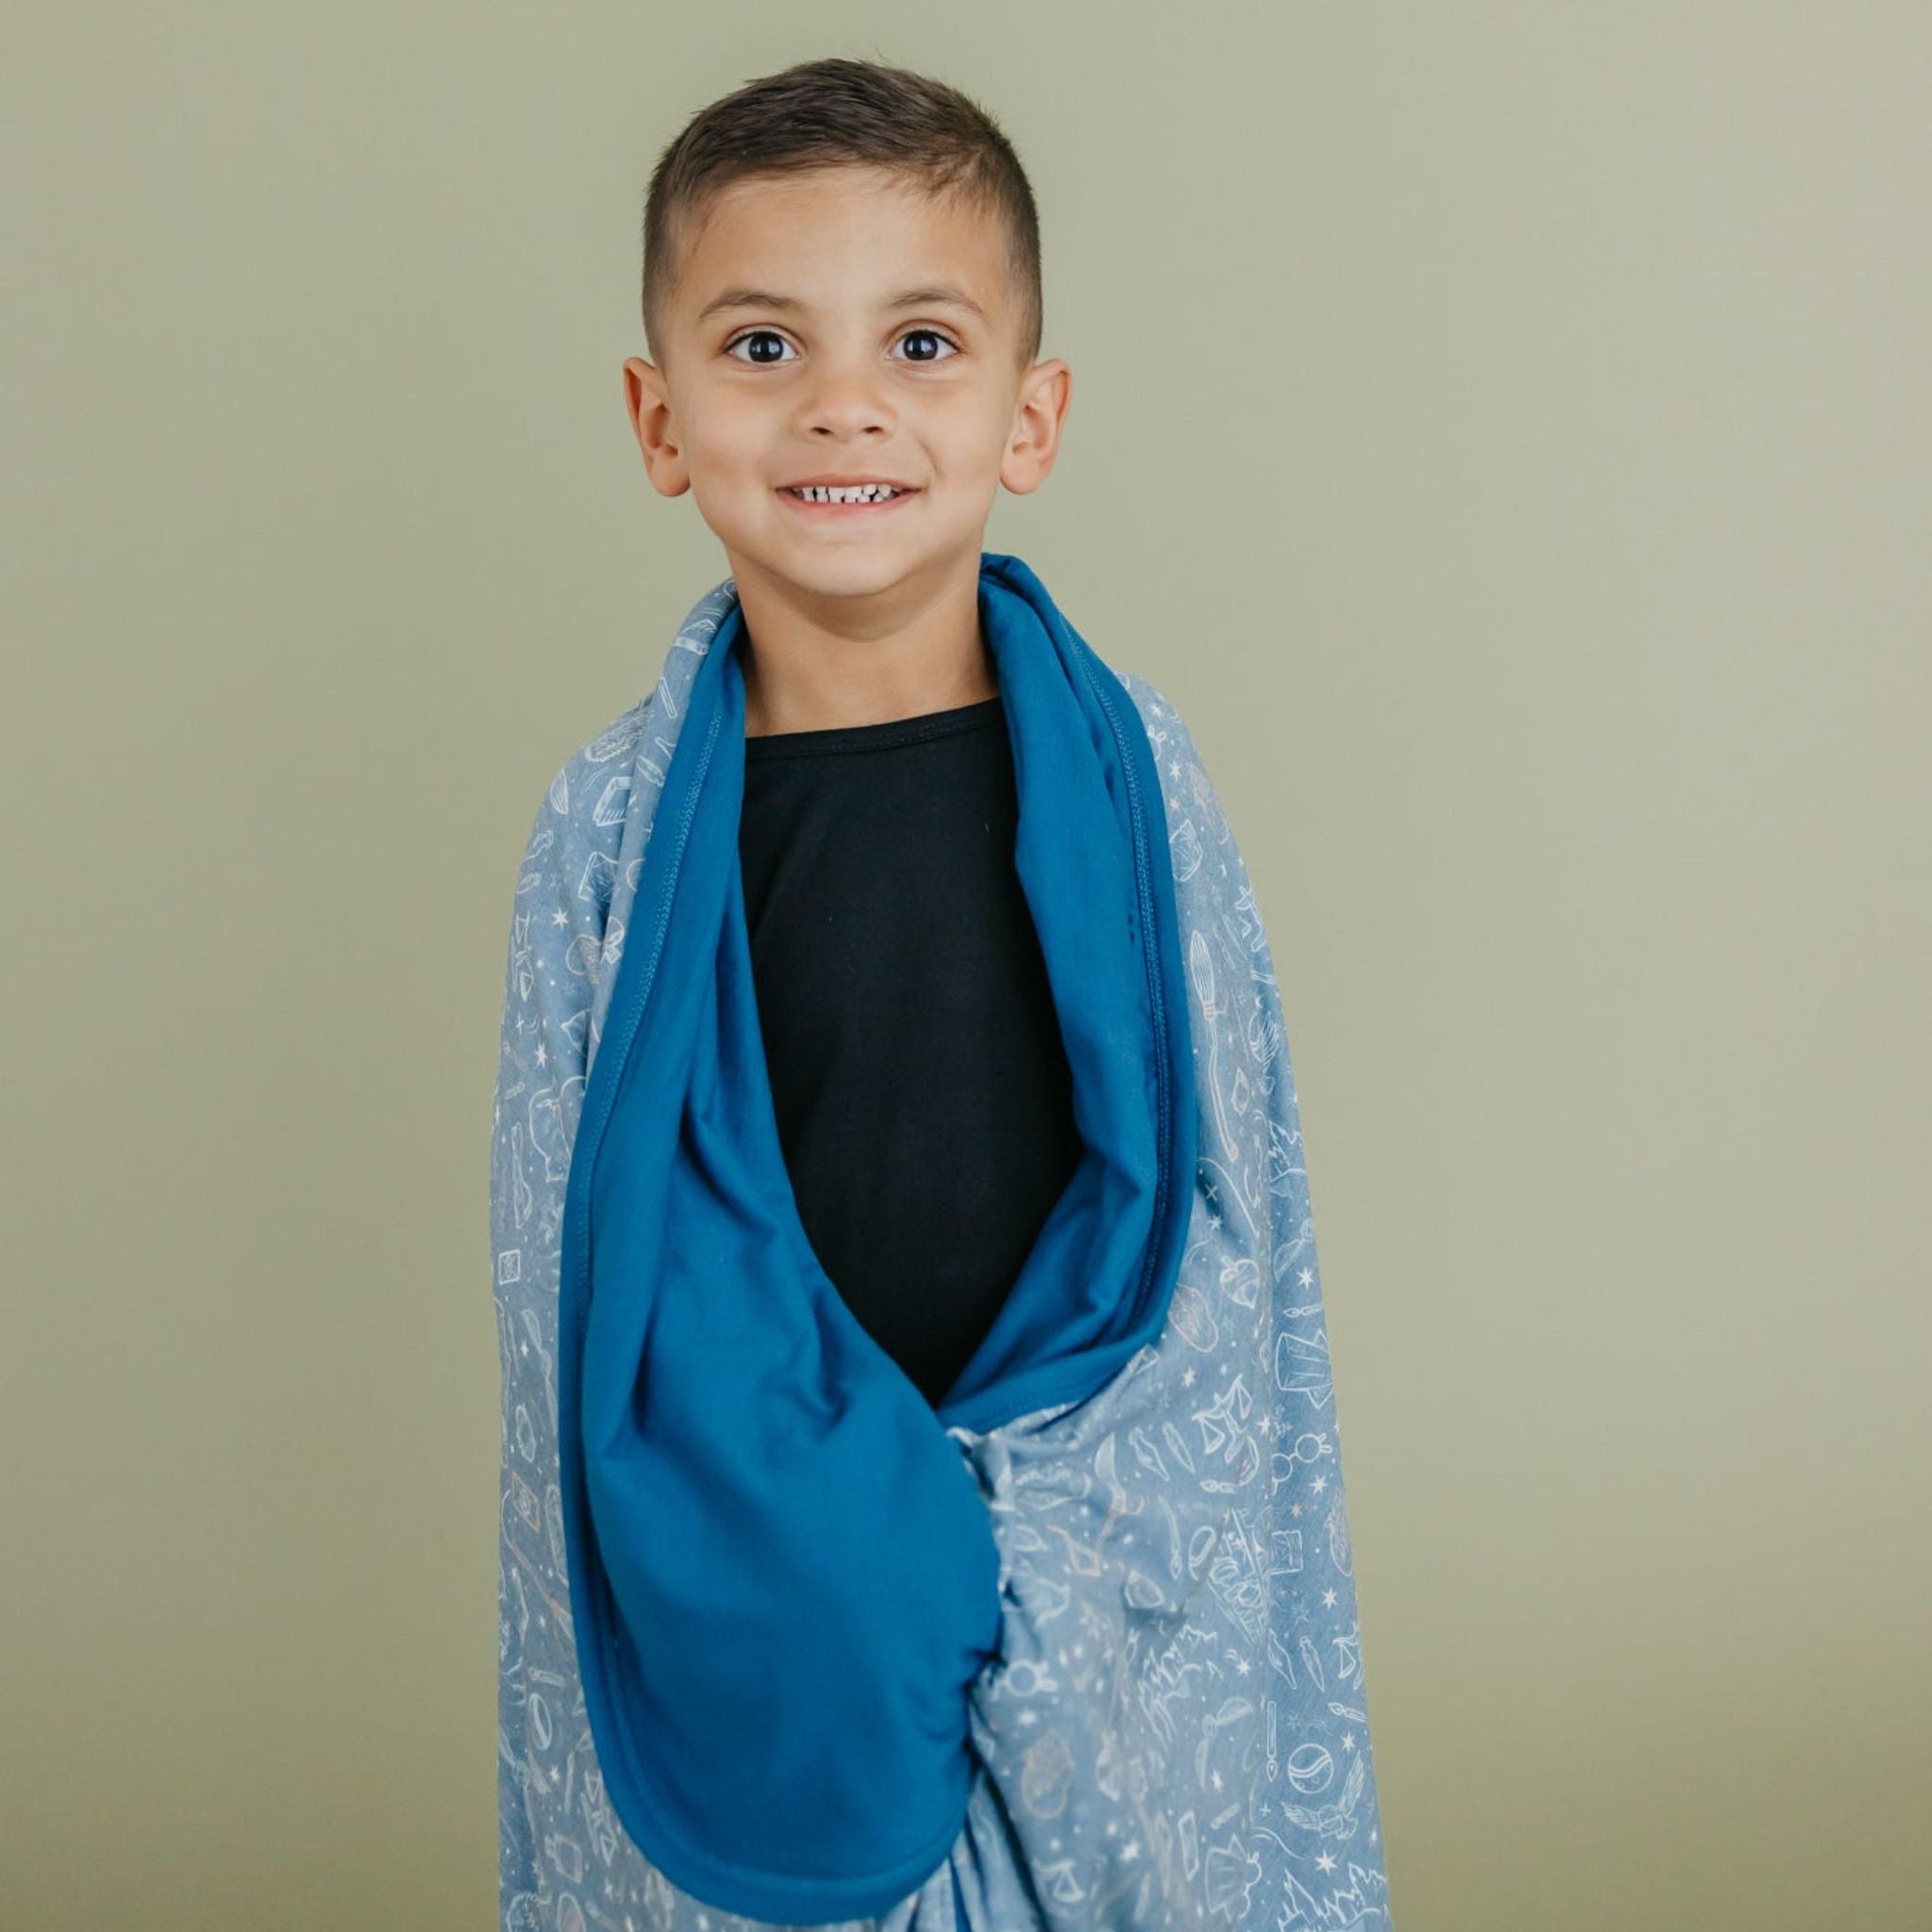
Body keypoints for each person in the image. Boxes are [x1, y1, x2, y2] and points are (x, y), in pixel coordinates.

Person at [491, 54, 1396, 1932]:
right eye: (762, 347)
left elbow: (1234, 1226)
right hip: (775, 1537)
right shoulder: (607, 831)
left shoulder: (1140, 782)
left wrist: (1052, 1508)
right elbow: (574, 1281)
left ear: (1028, 414)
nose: (844, 403)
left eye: (921, 344)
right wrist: (829, 1513)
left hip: (1089, 1515)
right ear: (658, 419)